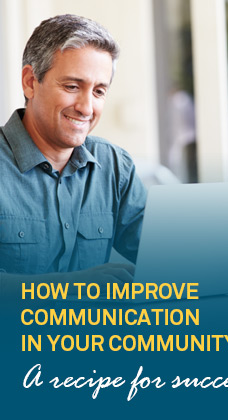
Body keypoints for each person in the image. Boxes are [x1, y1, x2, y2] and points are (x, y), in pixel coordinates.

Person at [0, 14, 146, 294]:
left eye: (99, 91)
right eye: (72, 87)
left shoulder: (115, 166)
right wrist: (71, 288)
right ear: (30, 82)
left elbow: (169, 258)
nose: (86, 107)